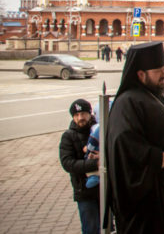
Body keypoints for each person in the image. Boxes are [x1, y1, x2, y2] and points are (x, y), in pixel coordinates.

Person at [105, 42, 164, 233]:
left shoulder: (157, 95)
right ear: (141, 74)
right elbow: (122, 140)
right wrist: (154, 156)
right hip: (146, 197)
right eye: (158, 70)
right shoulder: (128, 102)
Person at [59, 98, 100, 234]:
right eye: (76, 115)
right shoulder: (68, 136)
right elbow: (68, 163)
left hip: (105, 188)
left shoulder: (99, 130)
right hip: (84, 192)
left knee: (109, 227)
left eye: (83, 114)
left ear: (90, 114)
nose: (80, 118)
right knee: (91, 229)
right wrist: (95, 164)